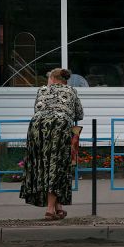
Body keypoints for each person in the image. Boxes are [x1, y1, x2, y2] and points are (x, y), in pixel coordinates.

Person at [20, 68, 84, 220]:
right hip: (60, 127)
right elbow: (79, 114)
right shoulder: (71, 91)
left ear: (53, 79)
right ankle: (50, 210)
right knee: (57, 166)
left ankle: (58, 208)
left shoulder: (42, 90)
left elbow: (37, 109)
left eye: (48, 79)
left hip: (37, 128)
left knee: (43, 165)